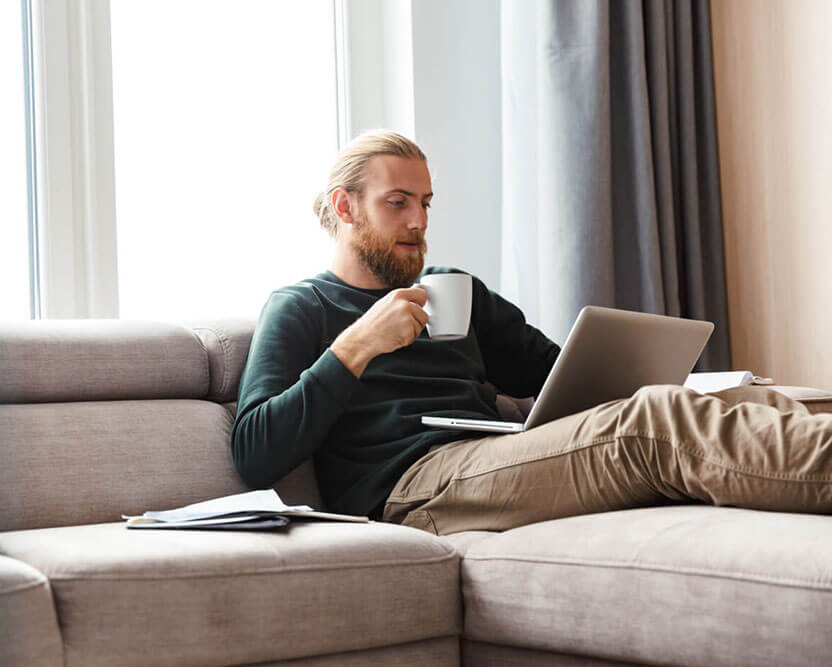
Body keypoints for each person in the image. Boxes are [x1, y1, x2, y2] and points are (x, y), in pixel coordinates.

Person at [230, 129, 832, 535]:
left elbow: (557, 372)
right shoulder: (302, 306)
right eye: (398, 203)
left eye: (426, 202)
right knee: (653, 422)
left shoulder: (451, 286)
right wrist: (357, 344)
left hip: (494, 456)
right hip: (412, 488)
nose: (419, 221)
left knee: (743, 399)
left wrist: (648, 374)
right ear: (346, 207)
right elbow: (256, 452)